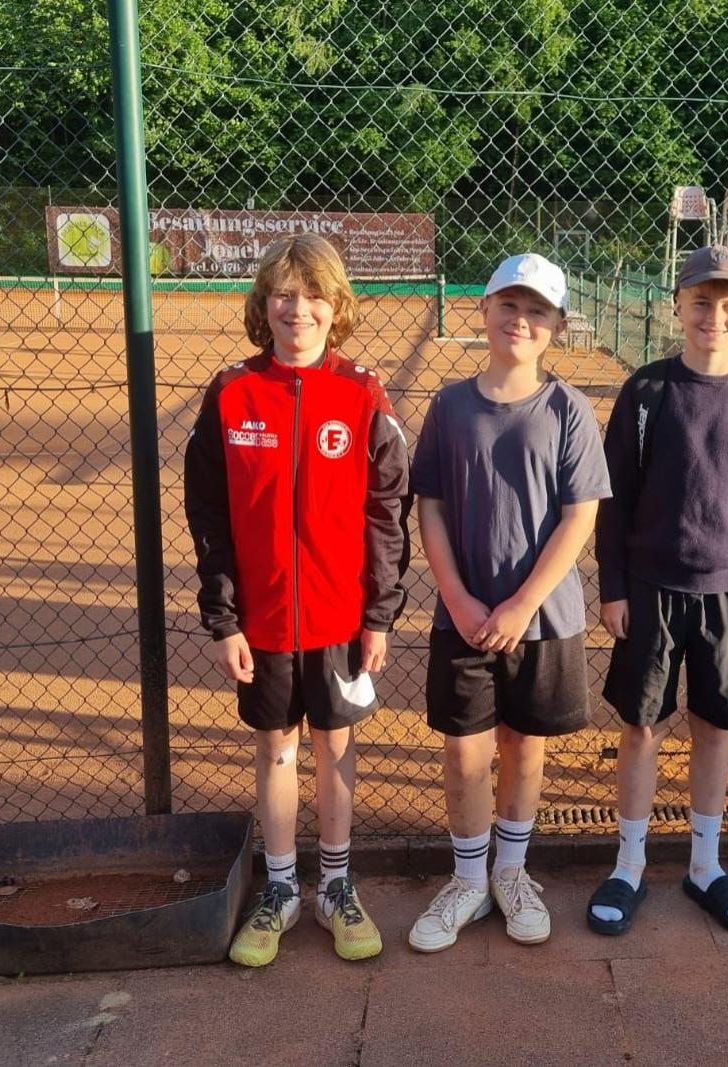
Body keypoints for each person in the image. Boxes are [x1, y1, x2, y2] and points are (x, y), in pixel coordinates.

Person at [183, 234, 409, 963]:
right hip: (264, 620)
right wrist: (224, 619)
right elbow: (208, 515)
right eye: (284, 294)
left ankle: (335, 885)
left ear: (336, 306)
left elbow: (387, 512)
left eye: (314, 295)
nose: (299, 309)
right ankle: (280, 888)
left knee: (335, 746)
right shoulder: (231, 393)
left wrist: (378, 614)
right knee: (277, 748)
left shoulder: (362, 393)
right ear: (264, 303)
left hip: (342, 618)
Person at [588, 245, 728, 936]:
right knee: (642, 726)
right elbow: (615, 499)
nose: (715, 315)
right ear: (677, 305)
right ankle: (629, 864)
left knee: (714, 728)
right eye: (701, 301)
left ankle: (705, 865)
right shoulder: (647, 391)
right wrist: (613, 586)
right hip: (650, 587)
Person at [407, 253, 611, 952]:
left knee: (524, 744)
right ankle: (468, 879)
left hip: (543, 617)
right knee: (465, 751)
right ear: (485, 309)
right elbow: (431, 507)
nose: (521, 321)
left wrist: (523, 604)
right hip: (463, 617)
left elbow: (580, 516)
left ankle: (512, 873)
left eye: (537, 311)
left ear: (557, 324)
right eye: (509, 306)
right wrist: (458, 598)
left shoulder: (568, 408)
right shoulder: (449, 405)